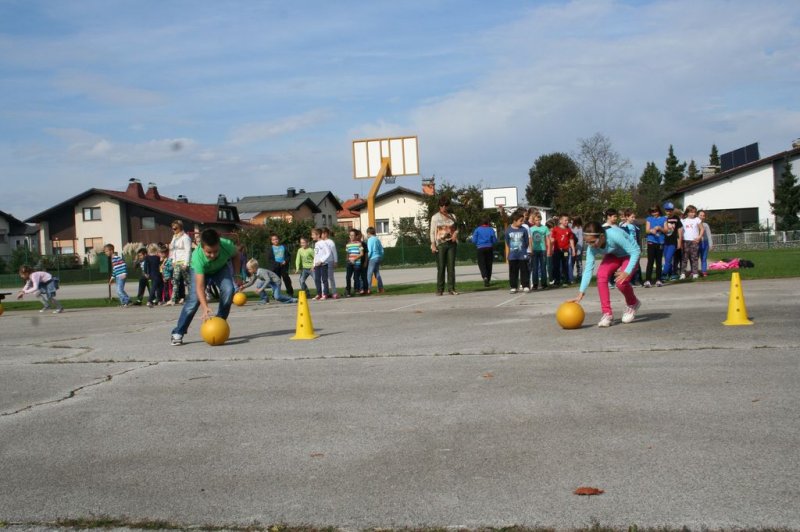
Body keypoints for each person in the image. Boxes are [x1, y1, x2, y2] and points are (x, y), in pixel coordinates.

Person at [170, 228, 242, 346]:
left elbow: (236, 255)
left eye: (215, 251)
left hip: (220, 269)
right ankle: (178, 332)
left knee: (229, 289)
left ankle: (219, 324)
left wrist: (237, 274)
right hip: (201, 272)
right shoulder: (197, 258)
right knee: (194, 300)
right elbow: (200, 287)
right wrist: (205, 307)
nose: (212, 255)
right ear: (202, 247)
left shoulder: (226, 245)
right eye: (209, 252)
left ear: (219, 244)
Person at [568, 221, 642, 327]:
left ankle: (633, 303)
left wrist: (627, 271)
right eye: (587, 242)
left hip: (630, 254)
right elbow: (588, 269)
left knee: (621, 282)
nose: (591, 246)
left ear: (602, 236)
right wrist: (581, 292)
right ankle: (607, 314)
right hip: (614, 255)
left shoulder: (614, 235)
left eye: (592, 242)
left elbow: (635, 251)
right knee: (601, 275)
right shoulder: (591, 248)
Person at [430, 196, 459, 295]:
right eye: (442, 205)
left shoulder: (453, 216)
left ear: (448, 206)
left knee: (451, 267)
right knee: (441, 267)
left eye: (446, 205)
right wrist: (433, 245)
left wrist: (455, 234)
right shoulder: (435, 217)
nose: (443, 207)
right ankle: (440, 289)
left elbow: (457, 228)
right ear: (439, 206)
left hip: (451, 244)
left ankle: (451, 288)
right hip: (440, 245)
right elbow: (432, 232)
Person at [166, 220, 192, 306]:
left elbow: (188, 251)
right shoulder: (174, 237)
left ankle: (193, 298)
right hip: (176, 262)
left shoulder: (186, 237)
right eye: (172, 228)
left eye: (175, 228)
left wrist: (186, 263)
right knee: (175, 280)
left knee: (188, 281)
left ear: (180, 227)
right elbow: (173, 249)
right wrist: (173, 260)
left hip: (184, 262)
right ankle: (173, 299)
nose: (173, 230)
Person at [505, 211, 530, 293]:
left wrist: (523, 250)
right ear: (515, 221)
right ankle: (513, 286)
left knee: (524, 271)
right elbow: (508, 243)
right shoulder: (508, 230)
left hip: (522, 254)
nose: (522, 222)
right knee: (513, 272)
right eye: (521, 221)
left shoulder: (524, 230)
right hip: (513, 255)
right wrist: (507, 256)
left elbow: (526, 242)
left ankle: (525, 285)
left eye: (523, 220)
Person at [550, 213, 576, 287]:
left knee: (565, 264)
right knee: (556, 265)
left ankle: (566, 280)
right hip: (557, 250)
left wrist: (573, 250)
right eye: (565, 220)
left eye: (567, 220)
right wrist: (551, 248)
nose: (567, 222)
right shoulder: (556, 229)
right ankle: (557, 280)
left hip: (565, 250)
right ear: (560, 221)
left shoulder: (569, 230)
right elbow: (552, 239)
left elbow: (571, 240)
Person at [644, 205, 666, 288]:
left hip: (660, 242)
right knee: (650, 261)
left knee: (659, 261)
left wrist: (660, 228)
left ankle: (659, 280)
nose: (654, 213)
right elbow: (646, 230)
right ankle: (647, 280)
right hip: (651, 242)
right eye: (652, 211)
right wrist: (651, 231)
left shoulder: (664, 218)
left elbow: (666, 230)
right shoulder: (649, 219)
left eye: (656, 211)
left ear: (659, 211)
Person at [620, 209, 644, 287]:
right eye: (632, 217)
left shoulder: (635, 227)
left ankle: (637, 280)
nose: (633, 219)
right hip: (628, 248)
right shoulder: (623, 227)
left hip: (635, 248)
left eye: (634, 217)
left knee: (636, 265)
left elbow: (638, 238)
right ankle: (628, 280)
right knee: (628, 264)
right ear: (627, 217)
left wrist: (640, 247)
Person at [680, 205, 704, 280]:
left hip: (694, 241)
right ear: (687, 212)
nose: (693, 214)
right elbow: (680, 231)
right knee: (684, 258)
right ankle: (683, 273)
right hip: (685, 241)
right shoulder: (683, 220)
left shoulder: (697, 220)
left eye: (694, 212)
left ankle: (695, 273)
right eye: (691, 212)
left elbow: (702, 229)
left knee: (694, 258)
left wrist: (699, 237)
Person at [472, 217, 497, 287]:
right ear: (487, 223)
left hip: (480, 248)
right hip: (489, 247)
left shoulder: (477, 230)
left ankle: (484, 277)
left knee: (482, 264)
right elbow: (494, 240)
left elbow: (474, 240)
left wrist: (478, 243)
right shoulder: (491, 229)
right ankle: (488, 279)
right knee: (489, 264)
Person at [661, 202, 683, 282]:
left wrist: (679, 241)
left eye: (670, 210)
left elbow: (679, 230)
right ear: (665, 210)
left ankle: (663, 274)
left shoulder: (676, 218)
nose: (669, 212)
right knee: (667, 259)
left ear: (673, 210)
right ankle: (670, 274)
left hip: (673, 242)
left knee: (668, 258)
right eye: (667, 210)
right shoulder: (662, 218)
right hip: (664, 242)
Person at [529, 212, 550, 290]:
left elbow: (548, 239)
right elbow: (530, 240)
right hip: (534, 250)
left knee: (543, 267)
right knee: (535, 268)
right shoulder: (531, 229)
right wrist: (530, 250)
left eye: (539, 220)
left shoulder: (545, 228)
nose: (538, 221)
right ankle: (535, 284)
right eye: (536, 220)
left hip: (542, 249)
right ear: (534, 221)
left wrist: (548, 250)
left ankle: (544, 283)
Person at [312, 228, 331, 300]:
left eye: (313, 235)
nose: (312, 236)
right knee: (317, 279)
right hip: (317, 265)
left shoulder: (323, 243)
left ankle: (325, 294)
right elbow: (316, 255)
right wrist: (314, 264)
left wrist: (321, 261)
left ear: (318, 235)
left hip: (323, 265)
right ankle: (319, 294)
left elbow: (328, 253)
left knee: (324, 279)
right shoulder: (316, 244)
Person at [320, 227, 339, 298]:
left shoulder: (330, 242)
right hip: (322, 262)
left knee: (331, 277)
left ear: (325, 234)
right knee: (323, 278)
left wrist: (335, 261)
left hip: (330, 262)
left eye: (321, 234)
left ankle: (334, 292)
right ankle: (324, 293)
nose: (320, 235)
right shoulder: (320, 242)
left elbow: (334, 252)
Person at [365, 226, 385, 294]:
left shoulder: (370, 240)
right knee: (377, 273)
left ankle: (368, 289)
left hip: (372, 258)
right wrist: (381, 257)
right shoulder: (377, 239)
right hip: (378, 257)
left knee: (369, 273)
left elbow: (370, 251)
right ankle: (381, 288)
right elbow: (382, 250)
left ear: (368, 233)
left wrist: (367, 259)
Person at [344, 229, 364, 297]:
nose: (352, 237)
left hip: (357, 263)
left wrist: (355, 259)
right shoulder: (347, 245)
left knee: (356, 278)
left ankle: (356, 290)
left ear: (356, 236)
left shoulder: (359, 244)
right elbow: (347, 253)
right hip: (349, 263)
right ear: (349, 236)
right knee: (347, 277)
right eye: (350, 235)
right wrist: (347, 260)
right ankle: (348, 291)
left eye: (353, 235)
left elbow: (361, 253)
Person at [698, 210, 713, 277]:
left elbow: (709, 235)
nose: (702, 217)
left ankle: (704, 272)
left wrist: (710, 245)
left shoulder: (706, 225)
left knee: (704, 258)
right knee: (695, 258)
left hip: (705, 243)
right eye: (701, 215)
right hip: (697, 243)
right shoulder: (695, 223)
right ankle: (694, 272)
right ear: (697, 216)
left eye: (703, 216)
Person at [570, 216, 584, 283]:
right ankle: (570, 276)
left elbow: (580, 240)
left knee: (579, 263)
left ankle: (580, 276)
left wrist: (579, 250)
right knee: (571, 263)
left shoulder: (579, 228)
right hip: (572, 248)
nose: (571, 221)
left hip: (578, 248)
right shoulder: (571, 227)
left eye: (573, 220)